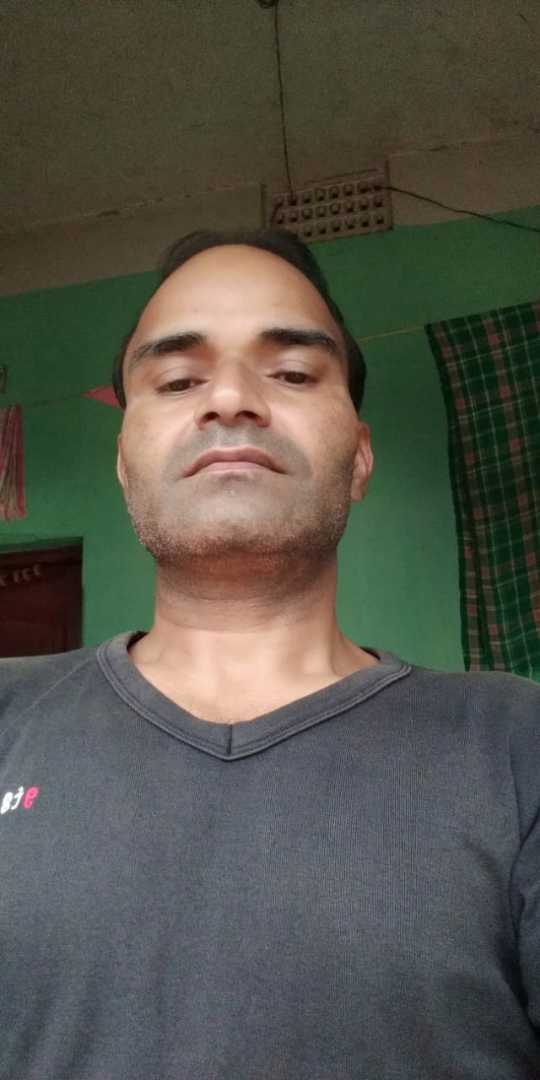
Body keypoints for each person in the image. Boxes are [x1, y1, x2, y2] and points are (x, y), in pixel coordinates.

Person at [1, 227, 539, 1080]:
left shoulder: (516, 744)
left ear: (359, 456)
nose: (230, 399)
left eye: (290, 373)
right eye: (178, 380)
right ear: (124, 462)